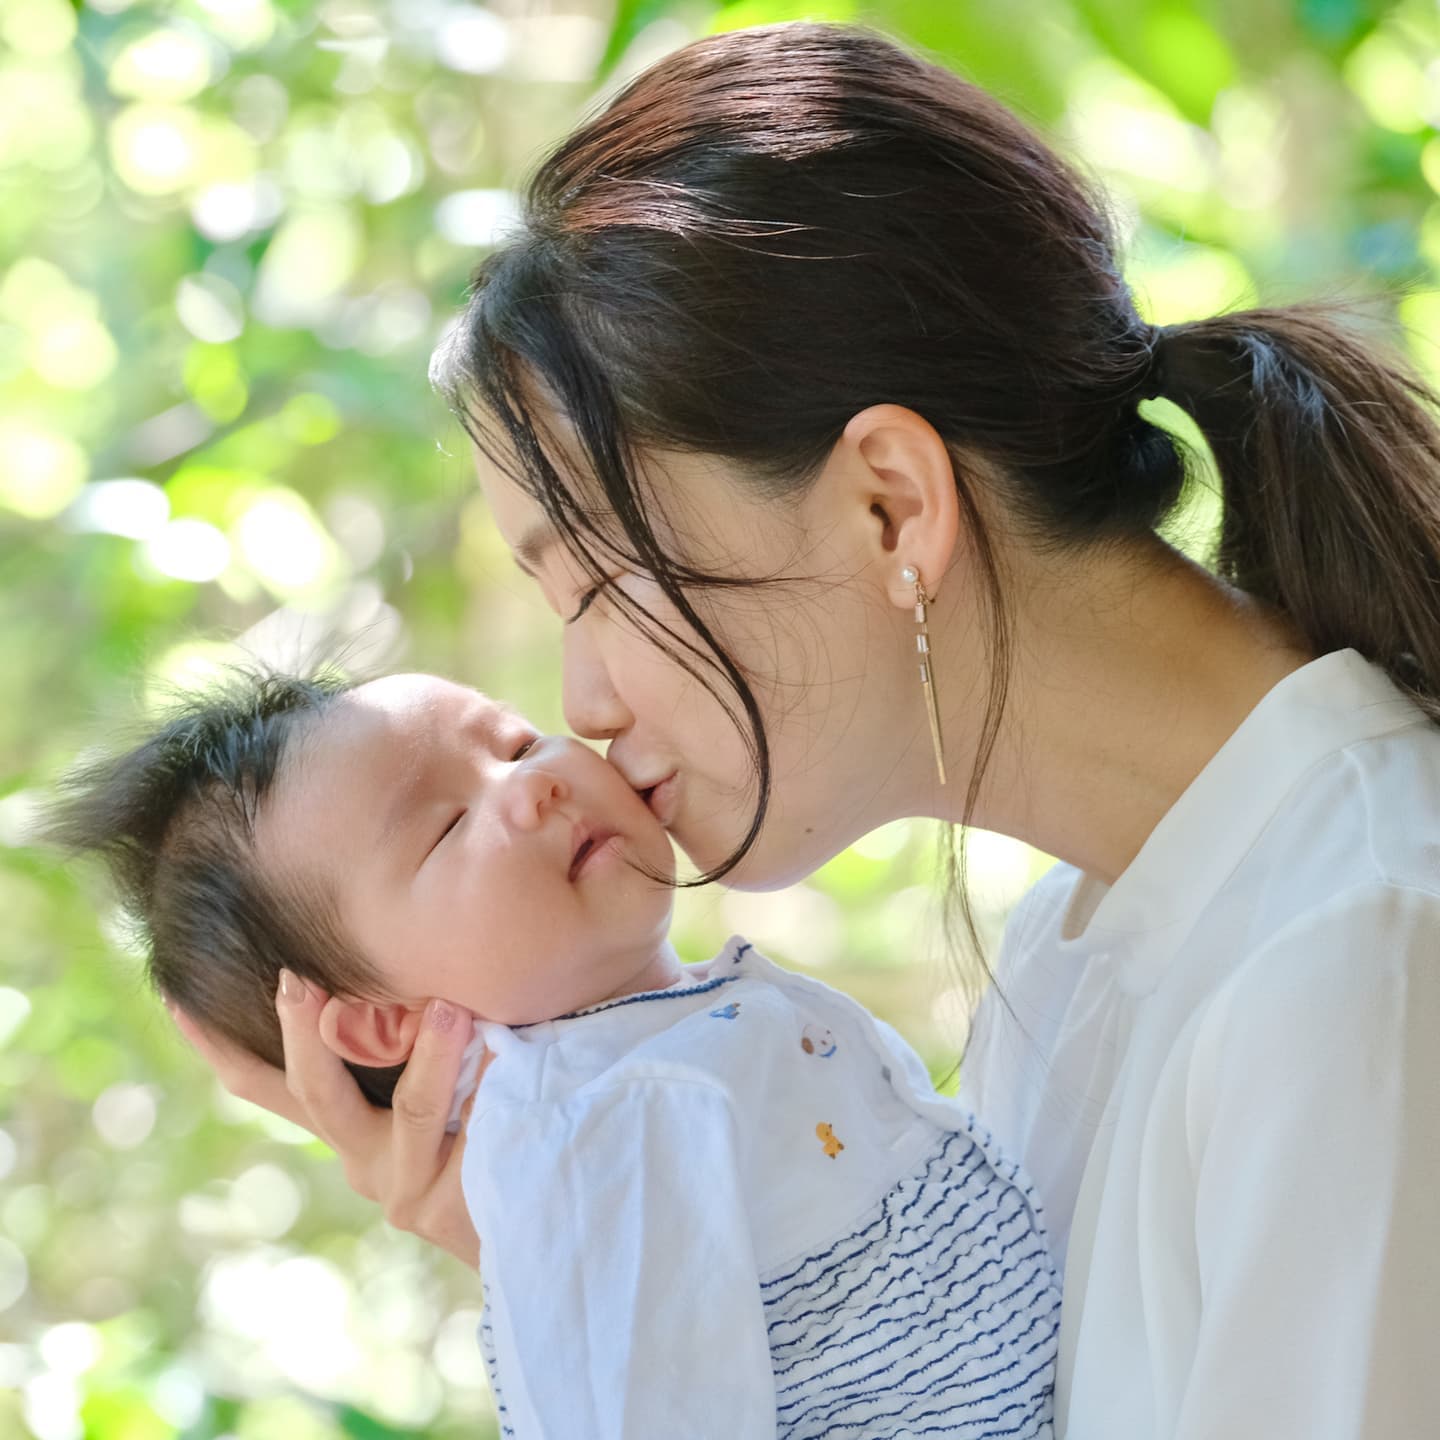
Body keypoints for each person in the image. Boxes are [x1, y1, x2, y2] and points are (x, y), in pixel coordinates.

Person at [164, 19, 1440, 1440]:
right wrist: (580, 1245)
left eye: (598, 581)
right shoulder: (1081, 940)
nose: (579, 704)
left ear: (890, 501)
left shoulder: (1361, 955)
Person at [42, 664, 1061, 1438]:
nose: (533, 789)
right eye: (444, 830)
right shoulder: (588, 1137)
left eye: (519, 744)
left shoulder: (674, 1045)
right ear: (380, 1022)